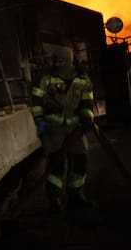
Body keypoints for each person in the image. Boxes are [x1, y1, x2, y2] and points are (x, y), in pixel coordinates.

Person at [30, 44, 96, 212]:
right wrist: (39, 120)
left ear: (70, 61)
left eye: (62, 61)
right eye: (56, 61)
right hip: (53, 128)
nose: (58, 64)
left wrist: (87, 117)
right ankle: (54, 199)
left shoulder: (82, 78)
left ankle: (76, 195)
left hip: (75, 127)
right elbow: (36, 99)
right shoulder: (46, 77)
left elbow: (87, 100)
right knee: (55, 165)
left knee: (80, 160)